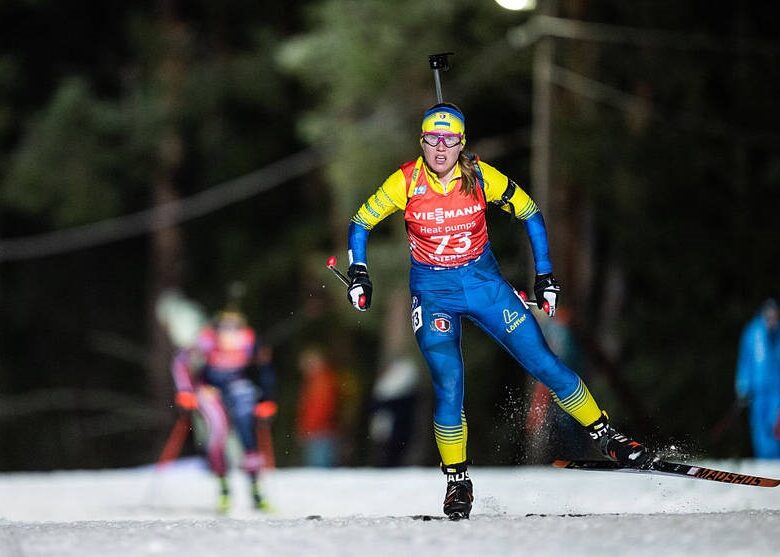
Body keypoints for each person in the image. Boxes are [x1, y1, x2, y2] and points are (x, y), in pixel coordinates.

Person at [343, 102, 651, 520]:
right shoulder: (406, 181)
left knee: (544, 363)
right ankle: (457, 481)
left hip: (484, 287)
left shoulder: (481, 176)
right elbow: (361, 222)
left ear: (461, 143)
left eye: (449, 140)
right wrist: (359, 272)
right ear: (422, 142)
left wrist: (545, 275)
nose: (440, 148)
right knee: (449, 382)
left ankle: (607, 436)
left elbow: (529, 212)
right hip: (433, 294)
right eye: (432, 139)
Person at [171, 310, 278, 512]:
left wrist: (267, 399)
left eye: (234, 328)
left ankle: (256, 491)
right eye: (224, 328)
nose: (229, 334)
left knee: (247, 432)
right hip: (210, 389)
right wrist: (185, 391)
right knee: (217, 433)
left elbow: (265, 369)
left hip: (238, 387)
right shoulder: (207, 339)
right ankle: (224, 490)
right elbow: (180, 361)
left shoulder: (250, 339)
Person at [735, 298, 780, 458]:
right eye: (768, 317)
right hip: (758, 390)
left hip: (777, 390)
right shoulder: (752, 332)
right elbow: (745, 360)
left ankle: (776, 458)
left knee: (775, 424)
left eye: (774, 317)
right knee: (759, 425)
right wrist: (742, 386)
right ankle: (764, 460)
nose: (771, 321)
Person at [296, 346, 341, 467]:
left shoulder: (322, 381)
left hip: (320, 432)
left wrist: (308, 428)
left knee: (319, 469)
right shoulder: (316, 381)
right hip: (319, 431)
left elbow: (321, 408)